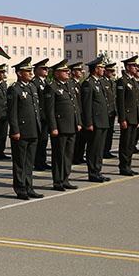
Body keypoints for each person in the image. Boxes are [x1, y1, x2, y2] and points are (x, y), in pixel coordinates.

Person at [7, 57, 43, 199]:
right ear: (19, 73)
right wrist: (15, 130)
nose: (30, 73)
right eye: (27, 71)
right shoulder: (14, 89)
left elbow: (36, 110)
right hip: (21, 131)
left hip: (33, 129)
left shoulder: (32, 87)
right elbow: (12, 112)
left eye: (30, 71)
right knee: (20, 162)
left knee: (29, 162)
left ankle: (29, 186)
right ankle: (20, 188)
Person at [44, 59, 81, 190]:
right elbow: (50, 110)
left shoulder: (69, 85)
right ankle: (57, 181)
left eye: (67, 71)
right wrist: (53, 127)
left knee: (68, 154)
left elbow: (75, 106)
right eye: (64, 71)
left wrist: (78, 122)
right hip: (60, 127)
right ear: (56, 73)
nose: (68, 73)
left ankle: (65, 178)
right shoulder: (52, 87)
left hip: (71, 126)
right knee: (59, 155)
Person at [81, 56, 111, 183]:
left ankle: (98, 171)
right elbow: (86, 105)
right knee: (93, 148)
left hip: (103, 121)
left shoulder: (99, 82)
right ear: (95, 69)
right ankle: (92, 172)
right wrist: (88, 123)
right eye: (101, 67)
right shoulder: (88, 84)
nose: (103, 70)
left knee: (99, 149)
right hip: (95, 122)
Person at [116, 56, 139, 175]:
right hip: (127, 117)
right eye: (134, 66)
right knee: (125, 143)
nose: (136, 68)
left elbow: (136, 102)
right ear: (127, 67)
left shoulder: (133, 81)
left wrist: (138, 118)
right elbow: (120, 102)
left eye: (136, 66)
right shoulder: (123, 81)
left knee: (131, 143)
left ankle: (128, 165)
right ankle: (123, 166)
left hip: (134, 117)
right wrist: (122, 119)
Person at [32, 58, 52, 171]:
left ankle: (42, 161)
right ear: (37, 70)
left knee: (44, 141)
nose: (46, 70)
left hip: (45, 116)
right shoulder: (35, 83)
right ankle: (38, 162)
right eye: (43, 68)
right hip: (39, 116)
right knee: (39, 141)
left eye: (46, 68)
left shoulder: (46, 82)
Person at [102, 63, 118, 159]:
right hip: (105, 112)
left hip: (112, 112)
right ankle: (103, 150)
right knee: (105, 134)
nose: (112, 73)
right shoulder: (103, 82)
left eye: (113, 71)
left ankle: (107, 150)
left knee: (110, 133)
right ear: (105, 71)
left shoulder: (113, 83)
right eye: (110, 71)